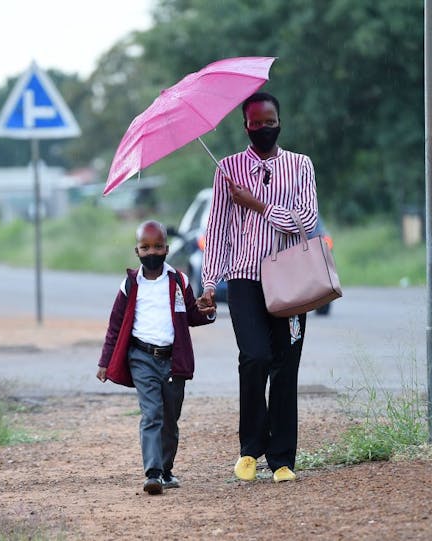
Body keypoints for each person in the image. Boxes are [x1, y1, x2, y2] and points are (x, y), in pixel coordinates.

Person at [198, 92, 318, 483]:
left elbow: (307, 220)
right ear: (245, 126)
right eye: (256, 123)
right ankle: (251, 449)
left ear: (280, 122)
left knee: (286, 366)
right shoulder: (228, 169)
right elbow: (216, 229)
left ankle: (282, 459)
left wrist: (258, 204)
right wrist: (211, 282)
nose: (264, 129)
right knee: (254, 357)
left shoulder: (300, 166)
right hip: (246, 279)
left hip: (290, 280)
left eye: (270, 122)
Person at [97, 220, 216, 495]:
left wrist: (206, 309)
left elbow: (191, 315)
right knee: (152, 414)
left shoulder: (178, 281)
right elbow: (115, 326)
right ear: (136, 251)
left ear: (167, 248)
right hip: (141, 357)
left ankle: (165, 469)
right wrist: (104, 361)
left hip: (173, 360)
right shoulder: (130, 284)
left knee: (170, 419)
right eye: (145, 247)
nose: (152, 252)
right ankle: (152, 473)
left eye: (158, 247)